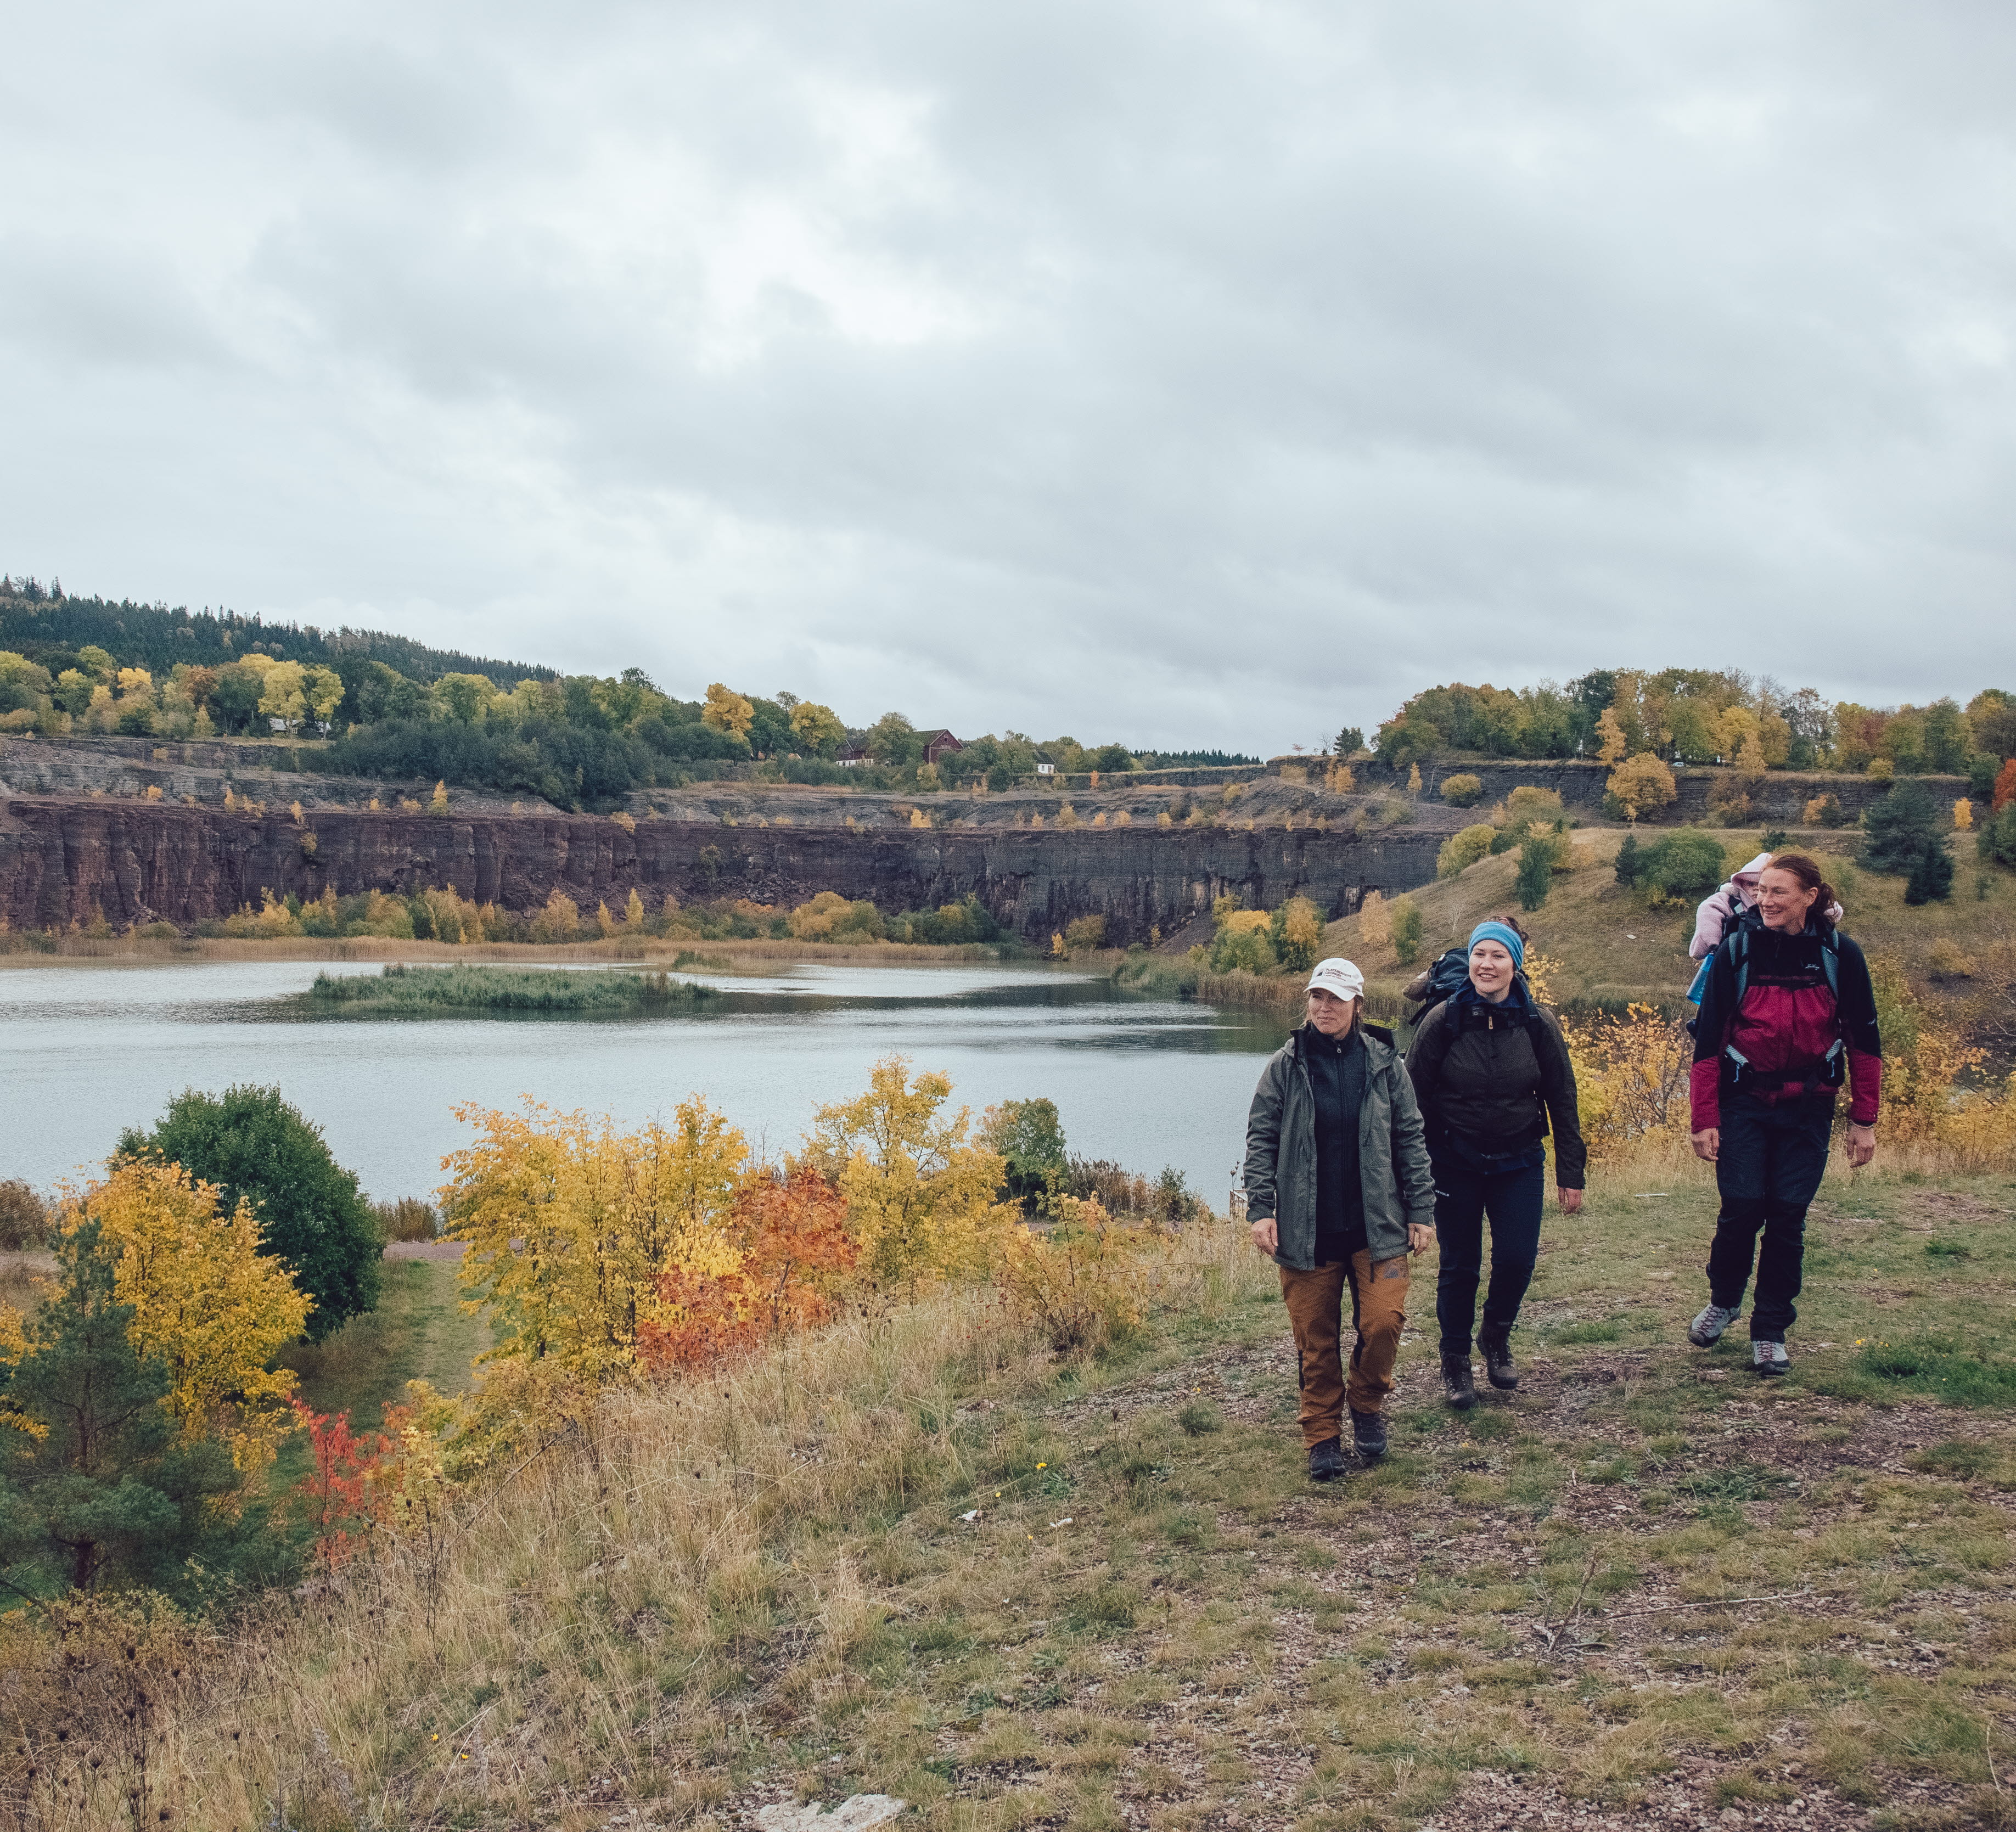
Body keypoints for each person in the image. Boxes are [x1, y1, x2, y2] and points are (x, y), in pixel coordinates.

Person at [1244, 957, 1437, 1481]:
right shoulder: (1285, 1065)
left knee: (1383, 1325)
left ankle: (1368, 1405)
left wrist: (1421, 1210)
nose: (1323, 1007)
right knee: (1315, 1338)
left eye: (1335, 998)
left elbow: (1410, 1139)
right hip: (1308, 1232)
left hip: (1378, 1229)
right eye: (1316, 997)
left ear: (1358, 1004)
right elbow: (1260, 1140)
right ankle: (1322, 1435)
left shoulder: (1384, 1065)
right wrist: (1260, 1209)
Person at [1687, 853, 1880, 1375]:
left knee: (1787, 1218)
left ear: (1809, 897)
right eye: (1761, 892)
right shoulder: (1737, 951)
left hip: (1809, 1108)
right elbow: (1708, 1042)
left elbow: (1864, 1042)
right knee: (1743, 1205)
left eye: (1779, 893)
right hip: (1742, 1104)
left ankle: (1770, 1330)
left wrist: (1863, 1122)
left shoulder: (1841, 955)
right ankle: (1725, 1300)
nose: (1766, 902)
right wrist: (1703, 1118)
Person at [1405, 917, 1586, 1409]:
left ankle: (1496, 1335)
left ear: (1515, 965)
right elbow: (1409, 1101)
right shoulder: (1441, 1020)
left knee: (1515, 1260)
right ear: (1470, 961)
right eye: (1479, 955)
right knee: (1459, 1265)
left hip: (1518, 1159)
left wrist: (1571, 1173)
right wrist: (1408, 1176)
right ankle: (1454, 1361)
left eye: (1497, 956)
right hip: (1453, 1160)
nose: (1486, 965)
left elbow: (1561, 1097)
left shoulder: (1537, 1022)